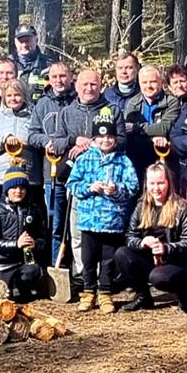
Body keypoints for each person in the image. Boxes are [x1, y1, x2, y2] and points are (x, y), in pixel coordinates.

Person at [42, 68, 110, 277]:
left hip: (102, 178)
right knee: (74, 230)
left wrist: (90, 145)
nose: (89, 88)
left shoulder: (110, 110)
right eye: (85, 85)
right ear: (77, 86)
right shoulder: (67, 112)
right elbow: (56, 142)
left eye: (93, 84)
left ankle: (100, 274)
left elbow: (120, 141)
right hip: (75, 180)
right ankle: (80, 273)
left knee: (99, 229)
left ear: (100, 86)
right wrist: (74, 141)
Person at [68, 116, 139, 313]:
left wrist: (117, 189)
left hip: (112, 220)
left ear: (115, 139)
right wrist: (89, 187)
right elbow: (72, 184)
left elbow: (133, 187)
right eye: (100, 138)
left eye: (109, 137)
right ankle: (88, 291)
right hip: (88, 221)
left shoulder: (123, 161)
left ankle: (106, 293)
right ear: (93, 140)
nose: (105, 141)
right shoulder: (83, 159)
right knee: (88, 259)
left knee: (108, 260)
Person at [114, 163, 187, 311]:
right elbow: (130, 236)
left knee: (158, 278)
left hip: (175, 262)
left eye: (160, 183)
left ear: (168, 183)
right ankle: (143, 296)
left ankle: (185, 292)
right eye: (152, 183)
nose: (156, 188)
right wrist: (141, 242)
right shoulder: (141, 206)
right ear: (146, 184)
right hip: (150, 259)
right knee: (121, 254)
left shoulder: (181, 207)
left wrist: (166, 248)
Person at [0, 169, 52, 301]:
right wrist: (16, 244)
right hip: (2, 261)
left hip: (25, 260)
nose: (18, 191)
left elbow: (43, 237)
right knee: (3, 295)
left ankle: (24, 290)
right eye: (14, 187)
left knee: (32, 272)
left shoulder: (33, 210)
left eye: (22, 187)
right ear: (7, 190)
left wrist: (36, 244)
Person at [123, 65, 180, 173]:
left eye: (153, 82)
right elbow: (128, 133)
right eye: (144, 82)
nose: (148, 86)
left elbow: (163, 128)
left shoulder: (171, 102)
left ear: (161, 82)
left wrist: (137, 128)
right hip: (137, 158)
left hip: (163, 158)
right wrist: (152, 137)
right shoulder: (133, 103)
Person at [12, 23, 50, 95]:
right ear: (15, 42)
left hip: (40, 104)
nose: (24, 45)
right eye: (21, 41)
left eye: (27, 40)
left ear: (36, 40)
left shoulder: (48, 65)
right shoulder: (8, 65)